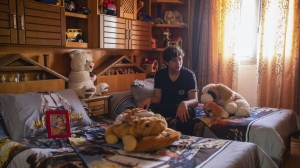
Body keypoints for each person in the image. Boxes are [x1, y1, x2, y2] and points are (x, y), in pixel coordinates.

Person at [138, 46, 198, 135]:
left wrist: (184, 103)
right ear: (166, 62)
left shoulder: (189, 75)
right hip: (166, 106)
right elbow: (157, 98)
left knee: (186, 113)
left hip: (182, 107)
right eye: (174, 60)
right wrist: (150, 99)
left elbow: (195, 101)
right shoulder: (159, 75)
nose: (178, 63)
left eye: (180, 59)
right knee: (146, 109)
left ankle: (183, 140)